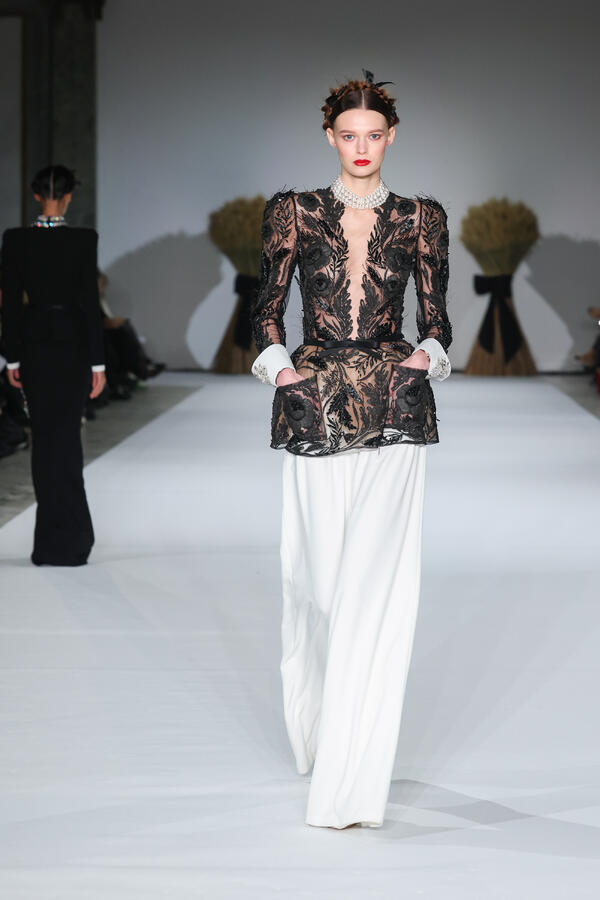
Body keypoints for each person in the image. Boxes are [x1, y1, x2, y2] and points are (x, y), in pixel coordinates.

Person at [250, 71, 452, 829]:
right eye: (348, 135)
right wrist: (283, 373)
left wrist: (426, 358)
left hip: (396, 409)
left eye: (373, 135)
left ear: (390, 137)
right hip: (315, 408)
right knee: (317, 588)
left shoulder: (422, 217)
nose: (361, 147)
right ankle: (318, 727)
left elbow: (439, 320)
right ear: (329, 137)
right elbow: (265, 311)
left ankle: (351, 780)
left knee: (376, 596)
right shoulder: (294, 211)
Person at [1, 164, 106, 565]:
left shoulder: (16, 239)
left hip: (34, 348)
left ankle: (48, 544)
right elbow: (89, 302)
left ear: (35, 195)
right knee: (67, 442)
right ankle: (73, 541)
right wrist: (98, 363)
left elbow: (11, 303)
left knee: (44, 442)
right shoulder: (83, 239)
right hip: (74, 349)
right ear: (68, 196)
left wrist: (11, 356)